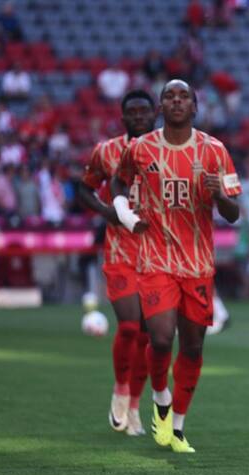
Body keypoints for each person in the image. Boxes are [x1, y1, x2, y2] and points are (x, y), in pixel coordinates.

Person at [112, 79, 241, 453]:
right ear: (160, 108)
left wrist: (219, 195)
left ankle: (178, 425)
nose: (177, 101)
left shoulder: (215, 151)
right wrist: (122, 211)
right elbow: (119, 184)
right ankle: (160, 397)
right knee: (162, 337)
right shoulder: (140, 149)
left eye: (184, 95)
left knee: (194, 347)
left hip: (198, 266)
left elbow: (233, 214)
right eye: (169, 96)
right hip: (155, 261)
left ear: (195, 106)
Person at [79, 89, 157, 436]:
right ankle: (120, 390)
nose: (139, 115)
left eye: (144, 110)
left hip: (159, 255)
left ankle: (135, 408)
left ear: (153, 114)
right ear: (123, 117)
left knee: (147, 337)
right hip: (121, 254)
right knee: (128, 327)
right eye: (133, 111)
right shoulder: (107, 151)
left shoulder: (168, 152)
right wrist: (107, 212)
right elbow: (83, 188)